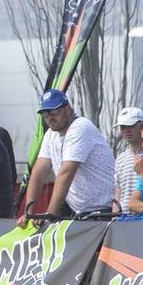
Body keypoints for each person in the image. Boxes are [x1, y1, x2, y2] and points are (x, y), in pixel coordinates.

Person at [19, 89, 116, 223]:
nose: (50, 118)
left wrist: (50, 214)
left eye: (54, 112)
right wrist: (28, 214)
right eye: (45, 114)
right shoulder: (51, 134)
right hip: (79, 210)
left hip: (104, 210)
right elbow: (38, 172)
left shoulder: (80, 127)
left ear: (68, 108)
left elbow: (66, 173)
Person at [111, 106, 143, 215]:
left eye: (131, 126)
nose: (126, 130)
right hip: (123, 221)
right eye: (122, 127)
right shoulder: (120, 158)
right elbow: (118, 192)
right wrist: (114, 218)